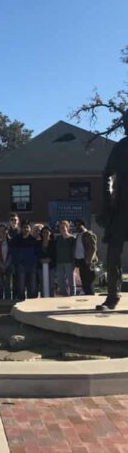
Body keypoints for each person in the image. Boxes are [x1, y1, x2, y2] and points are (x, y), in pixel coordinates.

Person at [97, 113, 128, 310]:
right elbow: (108, 174)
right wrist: (109, 202)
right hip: (122, 207)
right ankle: (112, 296)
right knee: (113, 253)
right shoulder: (121, 146)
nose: (124, 125)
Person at [10, 220, 38, 300]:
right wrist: (15, 263)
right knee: (21, 287)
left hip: (31, 266)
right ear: (21, 228)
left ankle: (32, 304)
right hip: (20, 266)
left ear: (30, 229)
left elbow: (36, 254)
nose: (26, 229)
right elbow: (13, 253)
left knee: (32, 287)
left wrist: (34, 263)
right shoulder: (16, 240)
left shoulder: (33, 240)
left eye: (27, 227)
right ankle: (21, 302)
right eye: (24, 227)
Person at [73, 219, 97, 296]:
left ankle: (90, 295)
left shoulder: (88, 234)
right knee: (83, 279)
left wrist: (89, 260)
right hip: (80, 261)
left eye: (78, 225)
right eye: (75, 225)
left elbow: (93, 248)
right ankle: (87, 294)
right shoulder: (78, 235)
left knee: (89, 280)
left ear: (83, 225)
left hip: (87, 261)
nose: (77, 226)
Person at [55, 221, 76, 296]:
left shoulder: (72, 238)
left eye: (64, 227)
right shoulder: (58, 239)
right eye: (61, 227)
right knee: (60, 281)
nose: (62, 229)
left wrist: (74, 263)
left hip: (69, 262)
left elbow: (74, 251)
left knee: (71, 281)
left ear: (67, 227)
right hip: (59, 262)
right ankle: (64, 295)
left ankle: (73, 296)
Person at [36, 225, 56, 297]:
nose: (45, 234)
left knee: (51, 284)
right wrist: (40, 260)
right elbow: (36, 254)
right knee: (43, 284)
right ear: (41, 233)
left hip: (51, 266)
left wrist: (50, 259)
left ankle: (51, 300)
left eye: (47, 232)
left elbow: (55, 254)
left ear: (50, 233)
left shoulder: (53, 243)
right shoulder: (38, 243)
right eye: (43, 232)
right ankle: (43, 300)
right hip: (40, 267)